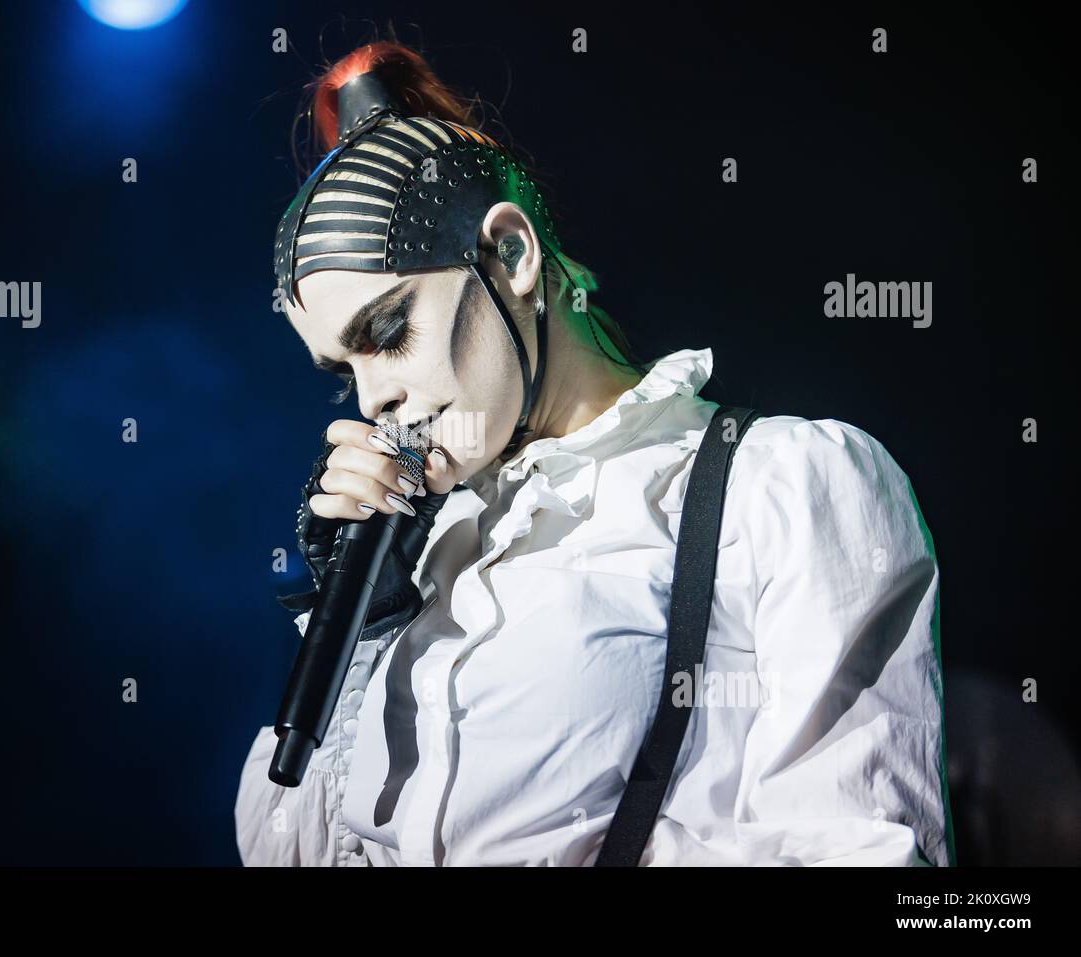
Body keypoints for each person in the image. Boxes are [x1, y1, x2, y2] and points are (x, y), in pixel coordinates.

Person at [235, 39, 954, 866]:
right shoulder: (435, 546)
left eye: (390, 332)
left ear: (512, 255)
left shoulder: (784, 484)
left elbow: (869, 852)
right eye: (343, 373)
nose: (370, 400)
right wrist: (362, 630)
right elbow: (290, 848)